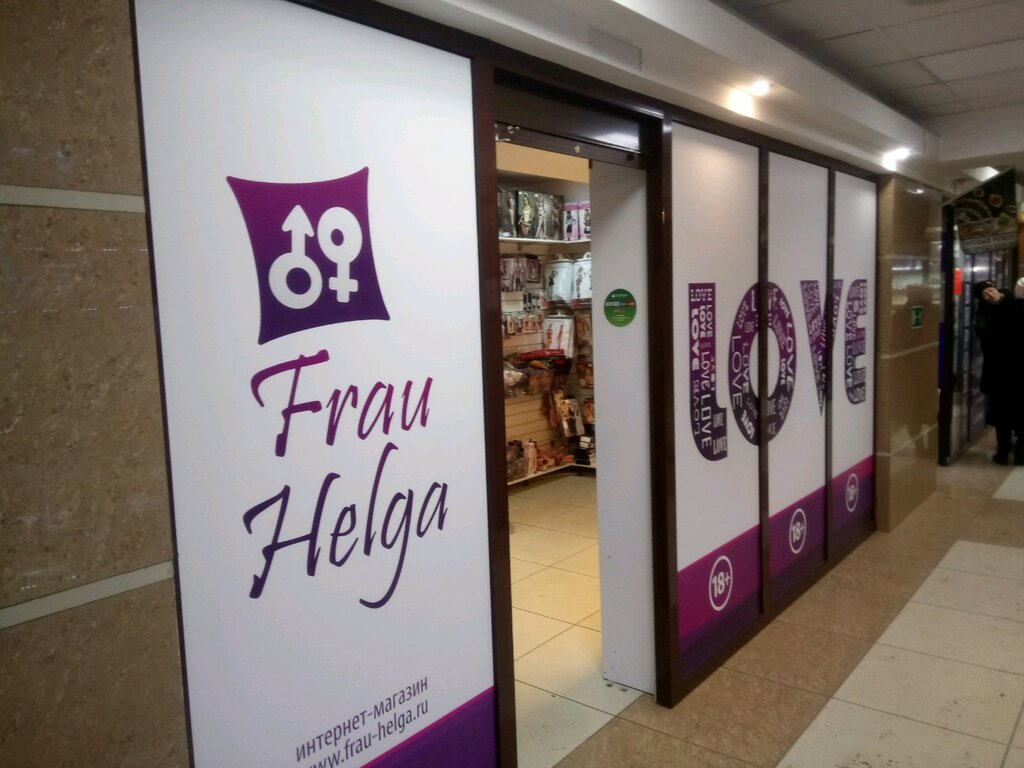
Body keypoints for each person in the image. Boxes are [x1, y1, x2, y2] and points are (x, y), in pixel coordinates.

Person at [974, 278, 1024, 465]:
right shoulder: (986, 311)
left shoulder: (1012, 303)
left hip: (1012, 371)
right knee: (1003, 415)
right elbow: (983, 334)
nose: (989, 294)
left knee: (1015, 414)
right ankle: (1004, 451)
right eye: (984, 294)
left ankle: (1017, 453)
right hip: (1000, 372)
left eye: (990, 290)